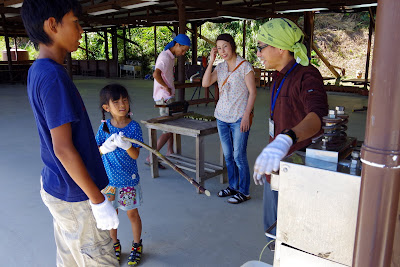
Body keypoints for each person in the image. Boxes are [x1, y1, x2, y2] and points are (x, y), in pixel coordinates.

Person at [21, 0, 119, 265]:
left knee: (71, 258)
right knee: (98, 258)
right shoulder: (53, 76)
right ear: (52, 25)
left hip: (56, 185)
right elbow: (62, 148)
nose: (80, 30)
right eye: (75, 22)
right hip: (77, 196)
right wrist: (97, 201)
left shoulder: (38, 70)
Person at [252, 18, 328, 249]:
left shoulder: (306, 75)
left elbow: (317, 116)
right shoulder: (278, 75)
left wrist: (287, 138)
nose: (258, 53)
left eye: (261, 47)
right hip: (275, 164)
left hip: (296, 168)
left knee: (290, 236)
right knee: (272, 235)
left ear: (282, 48)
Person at [202, 34, 257, 204]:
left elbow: (253, 93)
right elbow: (205, 83)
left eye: (225, 46)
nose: (222, 51)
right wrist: (211, 61)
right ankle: (233, 186)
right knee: (228, 156)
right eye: (219, 48)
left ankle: (244, 191)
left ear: (232, 46)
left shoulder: (245, 67)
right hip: (221, 117)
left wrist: (246, 115)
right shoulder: (220, 67)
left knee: (238, 155)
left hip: (239, 117)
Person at [96, 84, 144, 266]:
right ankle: (114, 244)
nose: (122, 104)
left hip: (128, 182)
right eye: (116, 101)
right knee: (111, 215)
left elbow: (136, 155)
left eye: (125, 100)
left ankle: (137, 245)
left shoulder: (134, 127)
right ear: (106, 108)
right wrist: (105, 147)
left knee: (132, 214)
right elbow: (97, 151)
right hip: (108, 183)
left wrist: (128, 146)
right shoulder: (105, 128)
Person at [145, 34, 191, 168]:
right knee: (168, 129)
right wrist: (165, 87)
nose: (183, 53)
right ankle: (151, 157)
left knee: (172, 125)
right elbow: (156, 74)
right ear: (177, 45)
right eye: (183, 50)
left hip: (168, 96)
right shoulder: (164, 57)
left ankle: (170, 151)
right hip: (164, 98)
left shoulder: (170, 57)